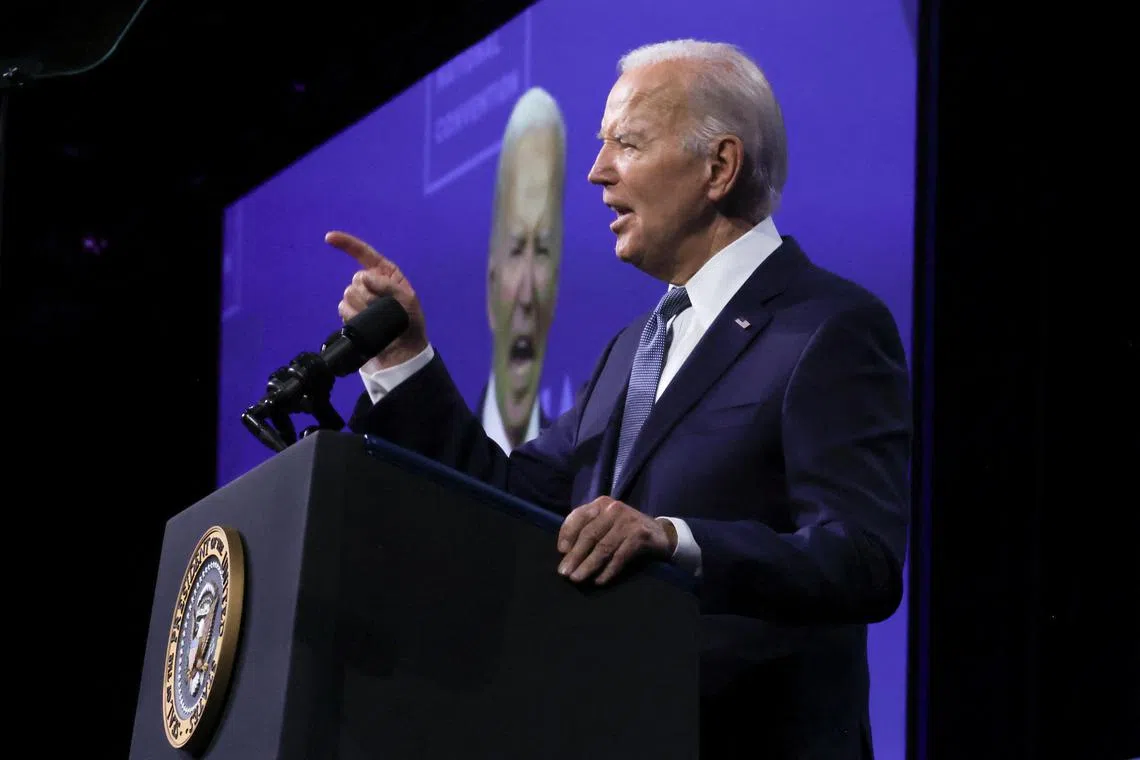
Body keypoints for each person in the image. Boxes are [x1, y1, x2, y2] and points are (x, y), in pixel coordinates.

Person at [328, 39, 911, 760]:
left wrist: (675, 541)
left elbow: (862, 558)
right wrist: (403, 360)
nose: (597, 172)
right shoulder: (631, 351)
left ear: (719, 168)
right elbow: (506, 499)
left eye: (626, 144)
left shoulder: (826, 326)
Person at [353, 86, 566, 454]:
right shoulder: (438, 446)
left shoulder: (579, 465)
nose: (527, 295)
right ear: (491, 283)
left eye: (543, 250)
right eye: (517, 249)